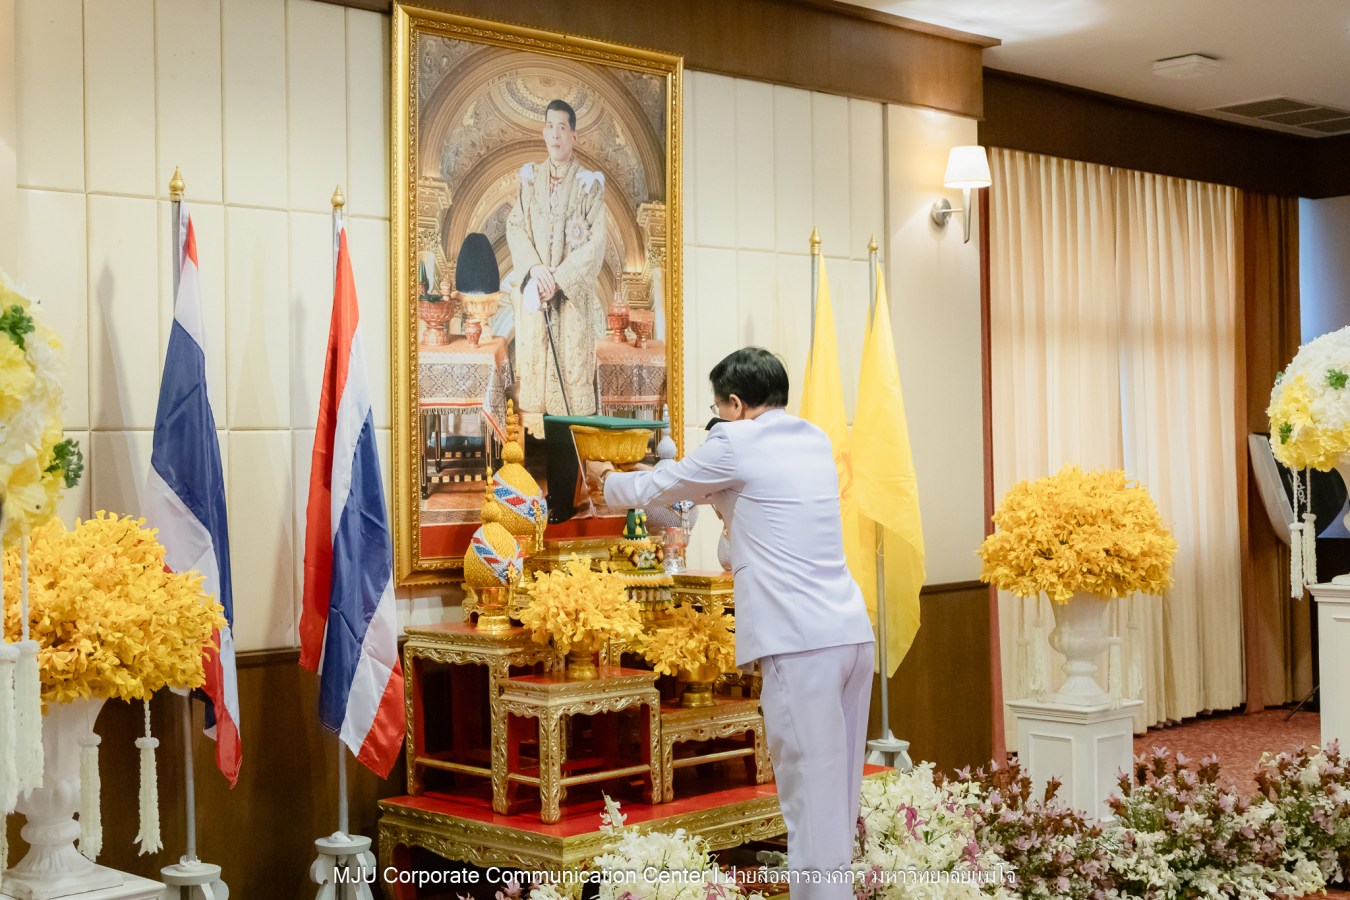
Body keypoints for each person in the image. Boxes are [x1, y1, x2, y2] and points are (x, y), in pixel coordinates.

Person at [600, 347, 876, 900]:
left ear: (734, 403)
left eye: (718, 408)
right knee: (836, 808)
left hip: (801, 646)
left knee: (807, 809)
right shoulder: (814, 439)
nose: (718, 419)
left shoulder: (734, 441)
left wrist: (605, 480)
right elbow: (746, 537)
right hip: (850, 633)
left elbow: (662, 486)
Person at [506, 98, 607, 433]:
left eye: (562, 128)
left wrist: (559, 279)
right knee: (538, 409)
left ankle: (568, 484)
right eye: (550, 127)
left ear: (573, 135)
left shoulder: (588, 185)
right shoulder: (530, 181)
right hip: (538, 298)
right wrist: (536, 270)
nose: (555, 135)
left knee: (569, 405)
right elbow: (516, 226)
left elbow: (596, 243)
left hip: (569, 305)